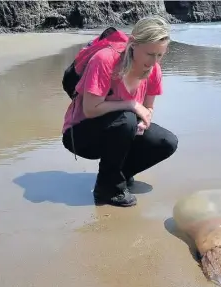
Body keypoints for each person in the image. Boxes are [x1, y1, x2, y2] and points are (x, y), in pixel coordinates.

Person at [61, 16, 178, 207]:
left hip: (121, 130)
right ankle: (107, 189)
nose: (154, 61)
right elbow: (90, 110)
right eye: (150, 54)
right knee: (126, 120)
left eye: (160, 55)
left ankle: (119, 173)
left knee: (166, 142)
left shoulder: (154, 70)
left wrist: (144, 120)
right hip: (81, 135)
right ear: (133, 43)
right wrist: (130, 104)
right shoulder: (105, 60)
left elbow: (148, 108)